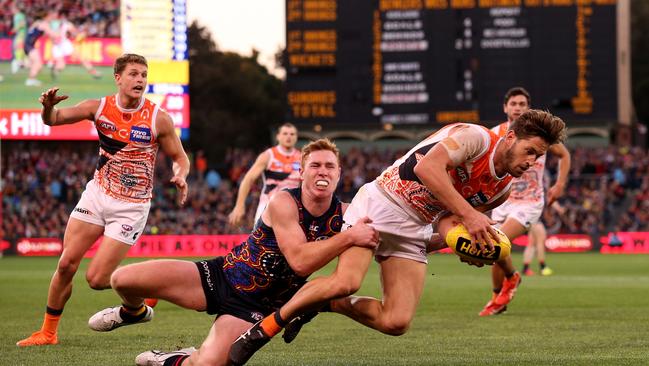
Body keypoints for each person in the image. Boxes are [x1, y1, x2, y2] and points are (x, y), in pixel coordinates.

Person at [229, 110, 567, 365]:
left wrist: (459, 244)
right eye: (531, 151)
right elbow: (426, 168)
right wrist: (469, 216)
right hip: (381, 203)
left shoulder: (503, 190)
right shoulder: (474, 137)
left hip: (414, 229)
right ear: (510, 138)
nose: (534, 162)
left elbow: (447, 221)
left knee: (396, 322)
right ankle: (264, 328)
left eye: (539, 156)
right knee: (346, 281)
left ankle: (325, 303)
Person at [87, 139, 379, 366]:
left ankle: (168, 359)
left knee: (208, 364)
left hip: (255, 306)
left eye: (330, 166)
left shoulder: (347, 215)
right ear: (301, 172)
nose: (323, 171)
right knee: (122, 279)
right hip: (221, 275)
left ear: (340, 173)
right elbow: (300, 262)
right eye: (315, 165)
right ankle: (134, 312)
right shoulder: (283, 202)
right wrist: (350, 236)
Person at [16, 53, 190, 347]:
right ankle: (47, 333)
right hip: (97, 195)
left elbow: (180, 158)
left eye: (144, 75)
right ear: (118, 78)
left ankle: (140, 299)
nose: (140, 80)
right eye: (134, 74)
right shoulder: (97, 108)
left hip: (131, 207)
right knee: (66, 264)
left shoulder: (158, 118)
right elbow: (54, 120)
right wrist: (47, 108)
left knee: (97, 280)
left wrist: (180, 175)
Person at [479, 87, 570, 316]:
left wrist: (559, 185)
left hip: (529, 202)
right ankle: (497, 299)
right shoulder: (495, 134)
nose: (517, 107)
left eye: (522, 104)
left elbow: (565, 155)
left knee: (497, 243)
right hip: (501, 200)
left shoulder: (540, 136)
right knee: (494, 252)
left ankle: (512, 277)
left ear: (527, 108)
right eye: (513, 104)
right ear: (505, 108)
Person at [228, 123, 301, 228]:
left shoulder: (302, 158)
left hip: (293, 208)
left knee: (293, 243)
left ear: (296, 137)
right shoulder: (268, 155)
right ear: (278, 136)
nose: (288, 136)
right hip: (268, 206)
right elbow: (248, 179)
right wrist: (239, 205)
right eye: (285, 133)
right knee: (260, 243)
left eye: (292, 134)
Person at [11, 1, 27, 74]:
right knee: (18, 48)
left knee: (18, 48)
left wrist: (15, 29)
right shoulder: (19, 15)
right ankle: (21, 63)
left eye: (13, 8)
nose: (12, 9)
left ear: (16, 8)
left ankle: (18, 63)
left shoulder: (18, 15)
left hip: (21, 34)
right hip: (21, 34)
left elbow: (22, 24)